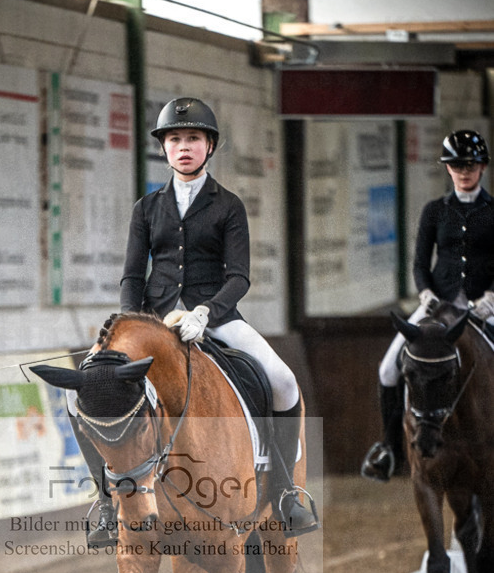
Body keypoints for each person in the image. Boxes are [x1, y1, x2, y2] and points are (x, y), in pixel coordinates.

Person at [82, 96, 318, 547]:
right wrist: (133, 325)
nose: (183, 146)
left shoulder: (228, 206)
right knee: (92, 386)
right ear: (164, 149)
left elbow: (239, 276)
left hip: (217, 317)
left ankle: (287, 491)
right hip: (153, 323)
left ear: (209, 146)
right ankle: (105, 504)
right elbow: (133, 275)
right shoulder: (146, 209)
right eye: (174, 139)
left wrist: (205, 312)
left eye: (192, 138)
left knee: (283, 381)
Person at [362, 129, 494, 482]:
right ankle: (389, 449)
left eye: (470, 165)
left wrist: (491, 297)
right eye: (456, 166)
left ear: (482, 167)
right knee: (388, 369)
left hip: (486, 304)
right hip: (439, 304)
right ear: (448, 170)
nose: (464, 172)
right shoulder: (435, 211)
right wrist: (425, 292)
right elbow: (421, 262)